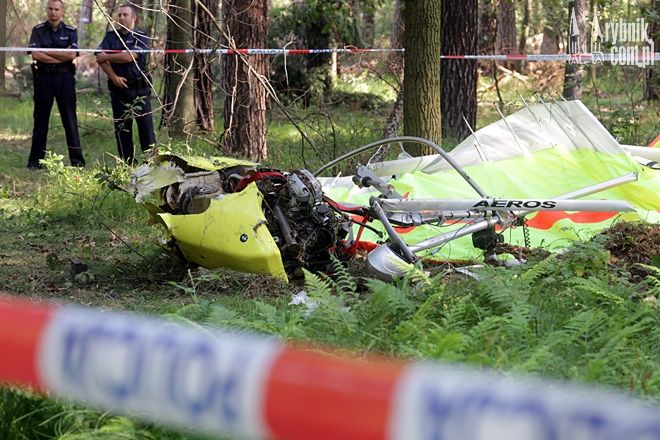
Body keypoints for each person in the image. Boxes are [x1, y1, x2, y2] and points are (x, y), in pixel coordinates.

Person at [27, 0, 85, 169]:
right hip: (43, 78)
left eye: (56, 9)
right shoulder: (37, 30)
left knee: (69, 119)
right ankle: (34, 162)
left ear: (62, 12)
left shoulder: (71, 31)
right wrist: (60, 53)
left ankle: (77, 162)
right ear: (47, 10)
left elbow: (71, 55)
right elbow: (35, 55)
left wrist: (47, 51)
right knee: (40, 120)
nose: (53, 12)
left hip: (64, 79)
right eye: (50, 9)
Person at [96, 4, 156, 164]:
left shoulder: (141, 36)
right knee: (122, 129)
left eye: (125, 15)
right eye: (120, 15)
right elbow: (99, 58)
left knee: (146, 130)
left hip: (139, 89)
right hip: (118, 89)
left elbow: (129, 57)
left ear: (133, 18)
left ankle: (152, 163)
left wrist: (107, 56)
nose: (121, 18)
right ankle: (128, 165)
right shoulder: (110, 37)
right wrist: (114, 77)